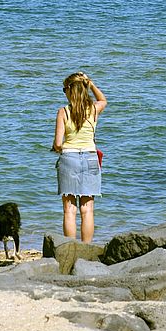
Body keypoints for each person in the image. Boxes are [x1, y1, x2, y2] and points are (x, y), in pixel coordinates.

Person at [51, 72, 107, 243]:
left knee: (69, 209)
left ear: (69, 90)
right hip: (90, 157)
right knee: (87, 209)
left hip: (68, 159)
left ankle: (70, 248)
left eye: (64, 89)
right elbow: (103, 100)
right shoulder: (93, 109)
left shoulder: (63, 112)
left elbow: (58, 143)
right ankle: (86, 247)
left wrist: (57, 149)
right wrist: (90, 84)